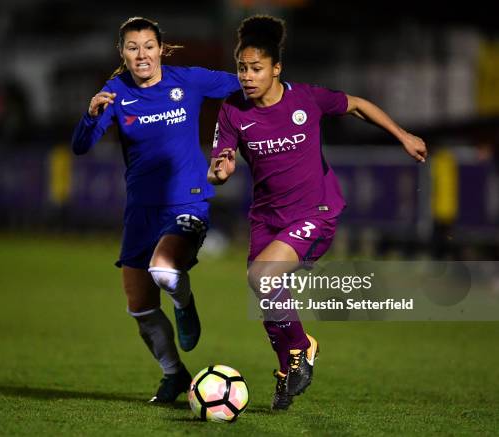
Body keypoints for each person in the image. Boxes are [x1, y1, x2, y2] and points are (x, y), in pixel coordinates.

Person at [208, 15, 427, 410]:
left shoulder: (305, 98)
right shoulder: (232, 110)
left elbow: (357, 105)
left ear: (277, 68)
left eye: (256, 68)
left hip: (316, 212)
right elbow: (220, 165)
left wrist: (403, 136)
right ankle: (289, 366)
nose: (247, 75)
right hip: (266, 217)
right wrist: (219, 171)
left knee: (262, 275)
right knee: (267, 294)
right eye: (241, 67)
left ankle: (302, 348)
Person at [71, 17, 241, 403]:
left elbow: (244, 85)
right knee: (140, 306)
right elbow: (82, 145)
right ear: (122, 53)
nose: (142, 54)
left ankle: (185, 302)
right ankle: (173, 375)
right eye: (133, 47)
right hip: (141, 212)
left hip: (187, 199)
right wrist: (91, 115)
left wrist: (282, 103)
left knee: (164, 270)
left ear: (161, 48)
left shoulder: (189, 80)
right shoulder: (115, 92)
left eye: (149, 45)